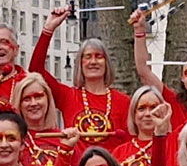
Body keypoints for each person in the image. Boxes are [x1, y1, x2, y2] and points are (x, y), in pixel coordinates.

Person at [30, 10, 128, 145]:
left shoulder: (124, 102)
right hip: (75, 165)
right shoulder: (68, 96)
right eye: (87, 57)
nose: (93, 62)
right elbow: (35, 71)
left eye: (99, 56)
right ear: (79, 65)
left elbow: (128, 143)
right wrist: (48, 29)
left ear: (107, 63)